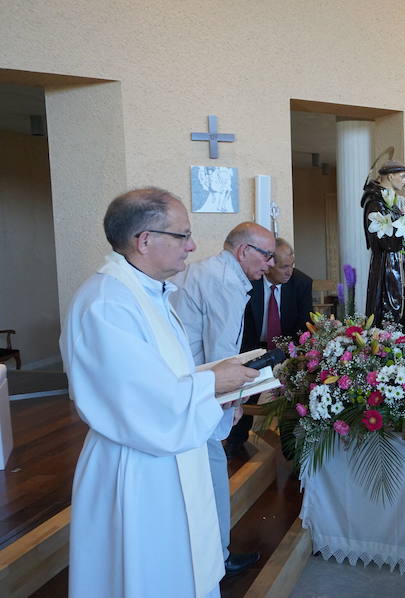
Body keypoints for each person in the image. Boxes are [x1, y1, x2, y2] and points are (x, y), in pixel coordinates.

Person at [60, 187, 259, 597]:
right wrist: (214, 382)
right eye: (182, 235)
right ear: (145, 240)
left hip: (165, 459)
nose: (193, 246)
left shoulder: (148, 292)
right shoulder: (107, 304)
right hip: (136, 468)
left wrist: (214, 377)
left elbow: (164, 378)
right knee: (146, 575)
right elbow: (139, 403)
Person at [171, 221, 277, 575]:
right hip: (199, 390)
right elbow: (223, 352)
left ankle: (208, 553)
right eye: (266, 256)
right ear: (243, 251)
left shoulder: (209, 272)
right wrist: (232, 404)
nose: (269, 266)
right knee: (213, 473)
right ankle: (217, 556)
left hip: (187, 386)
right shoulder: (225, 281)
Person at [225, 237, 313, 456]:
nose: (289, 271)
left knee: (288, 396)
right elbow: (239, 325)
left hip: (286, 348)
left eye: (292, 265)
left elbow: (304, 329)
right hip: (252, 345)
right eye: (284, 266)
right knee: (245, 389)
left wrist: (289, 355)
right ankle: (236, 440)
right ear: (270, 264)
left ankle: (290, 448)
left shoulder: (302, 283)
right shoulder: (249, 282)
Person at [361, 159, 405, 328]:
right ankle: (389, 342)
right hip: (387, 264)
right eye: (402, 176)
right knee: (389, 306)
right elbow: (384, 239)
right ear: (391, 176)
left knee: (403, 306)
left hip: (399, 261)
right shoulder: (376, 202)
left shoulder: (391, 201)